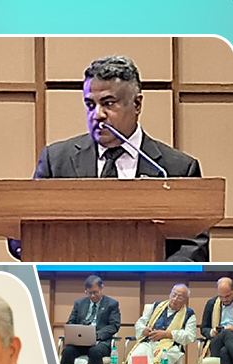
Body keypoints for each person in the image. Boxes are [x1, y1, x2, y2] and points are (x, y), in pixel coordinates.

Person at [15, 55, 206, 262]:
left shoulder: (176, 167)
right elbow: (24, 231)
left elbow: (194, 246)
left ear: (137, 104)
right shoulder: (57, 160)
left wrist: (153, 273)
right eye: (89, 105)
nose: (97, 115)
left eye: (108, 103)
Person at [127, 283, 197, 364]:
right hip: (149, 342)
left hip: (170, 345)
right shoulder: (156, 306)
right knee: (137, 355)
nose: (174, 299)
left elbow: (190, 336)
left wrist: (168, 334)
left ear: (185, 300)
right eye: (173, 295)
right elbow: (140, 323)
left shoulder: (189, 314)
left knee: (161, 361)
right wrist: (143, 330)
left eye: (180, 297)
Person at [60, 275, 121, 364]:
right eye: (89, 293)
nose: (92, 296)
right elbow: (71, 322)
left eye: (95, 292)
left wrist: (96, 335)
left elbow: (114, 325)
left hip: (100, 342)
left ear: (102, 288)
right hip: (81, 342)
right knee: (68, 351)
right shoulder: (79, 303)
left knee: (94, 351)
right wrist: (75, 332)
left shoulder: (111, 304)